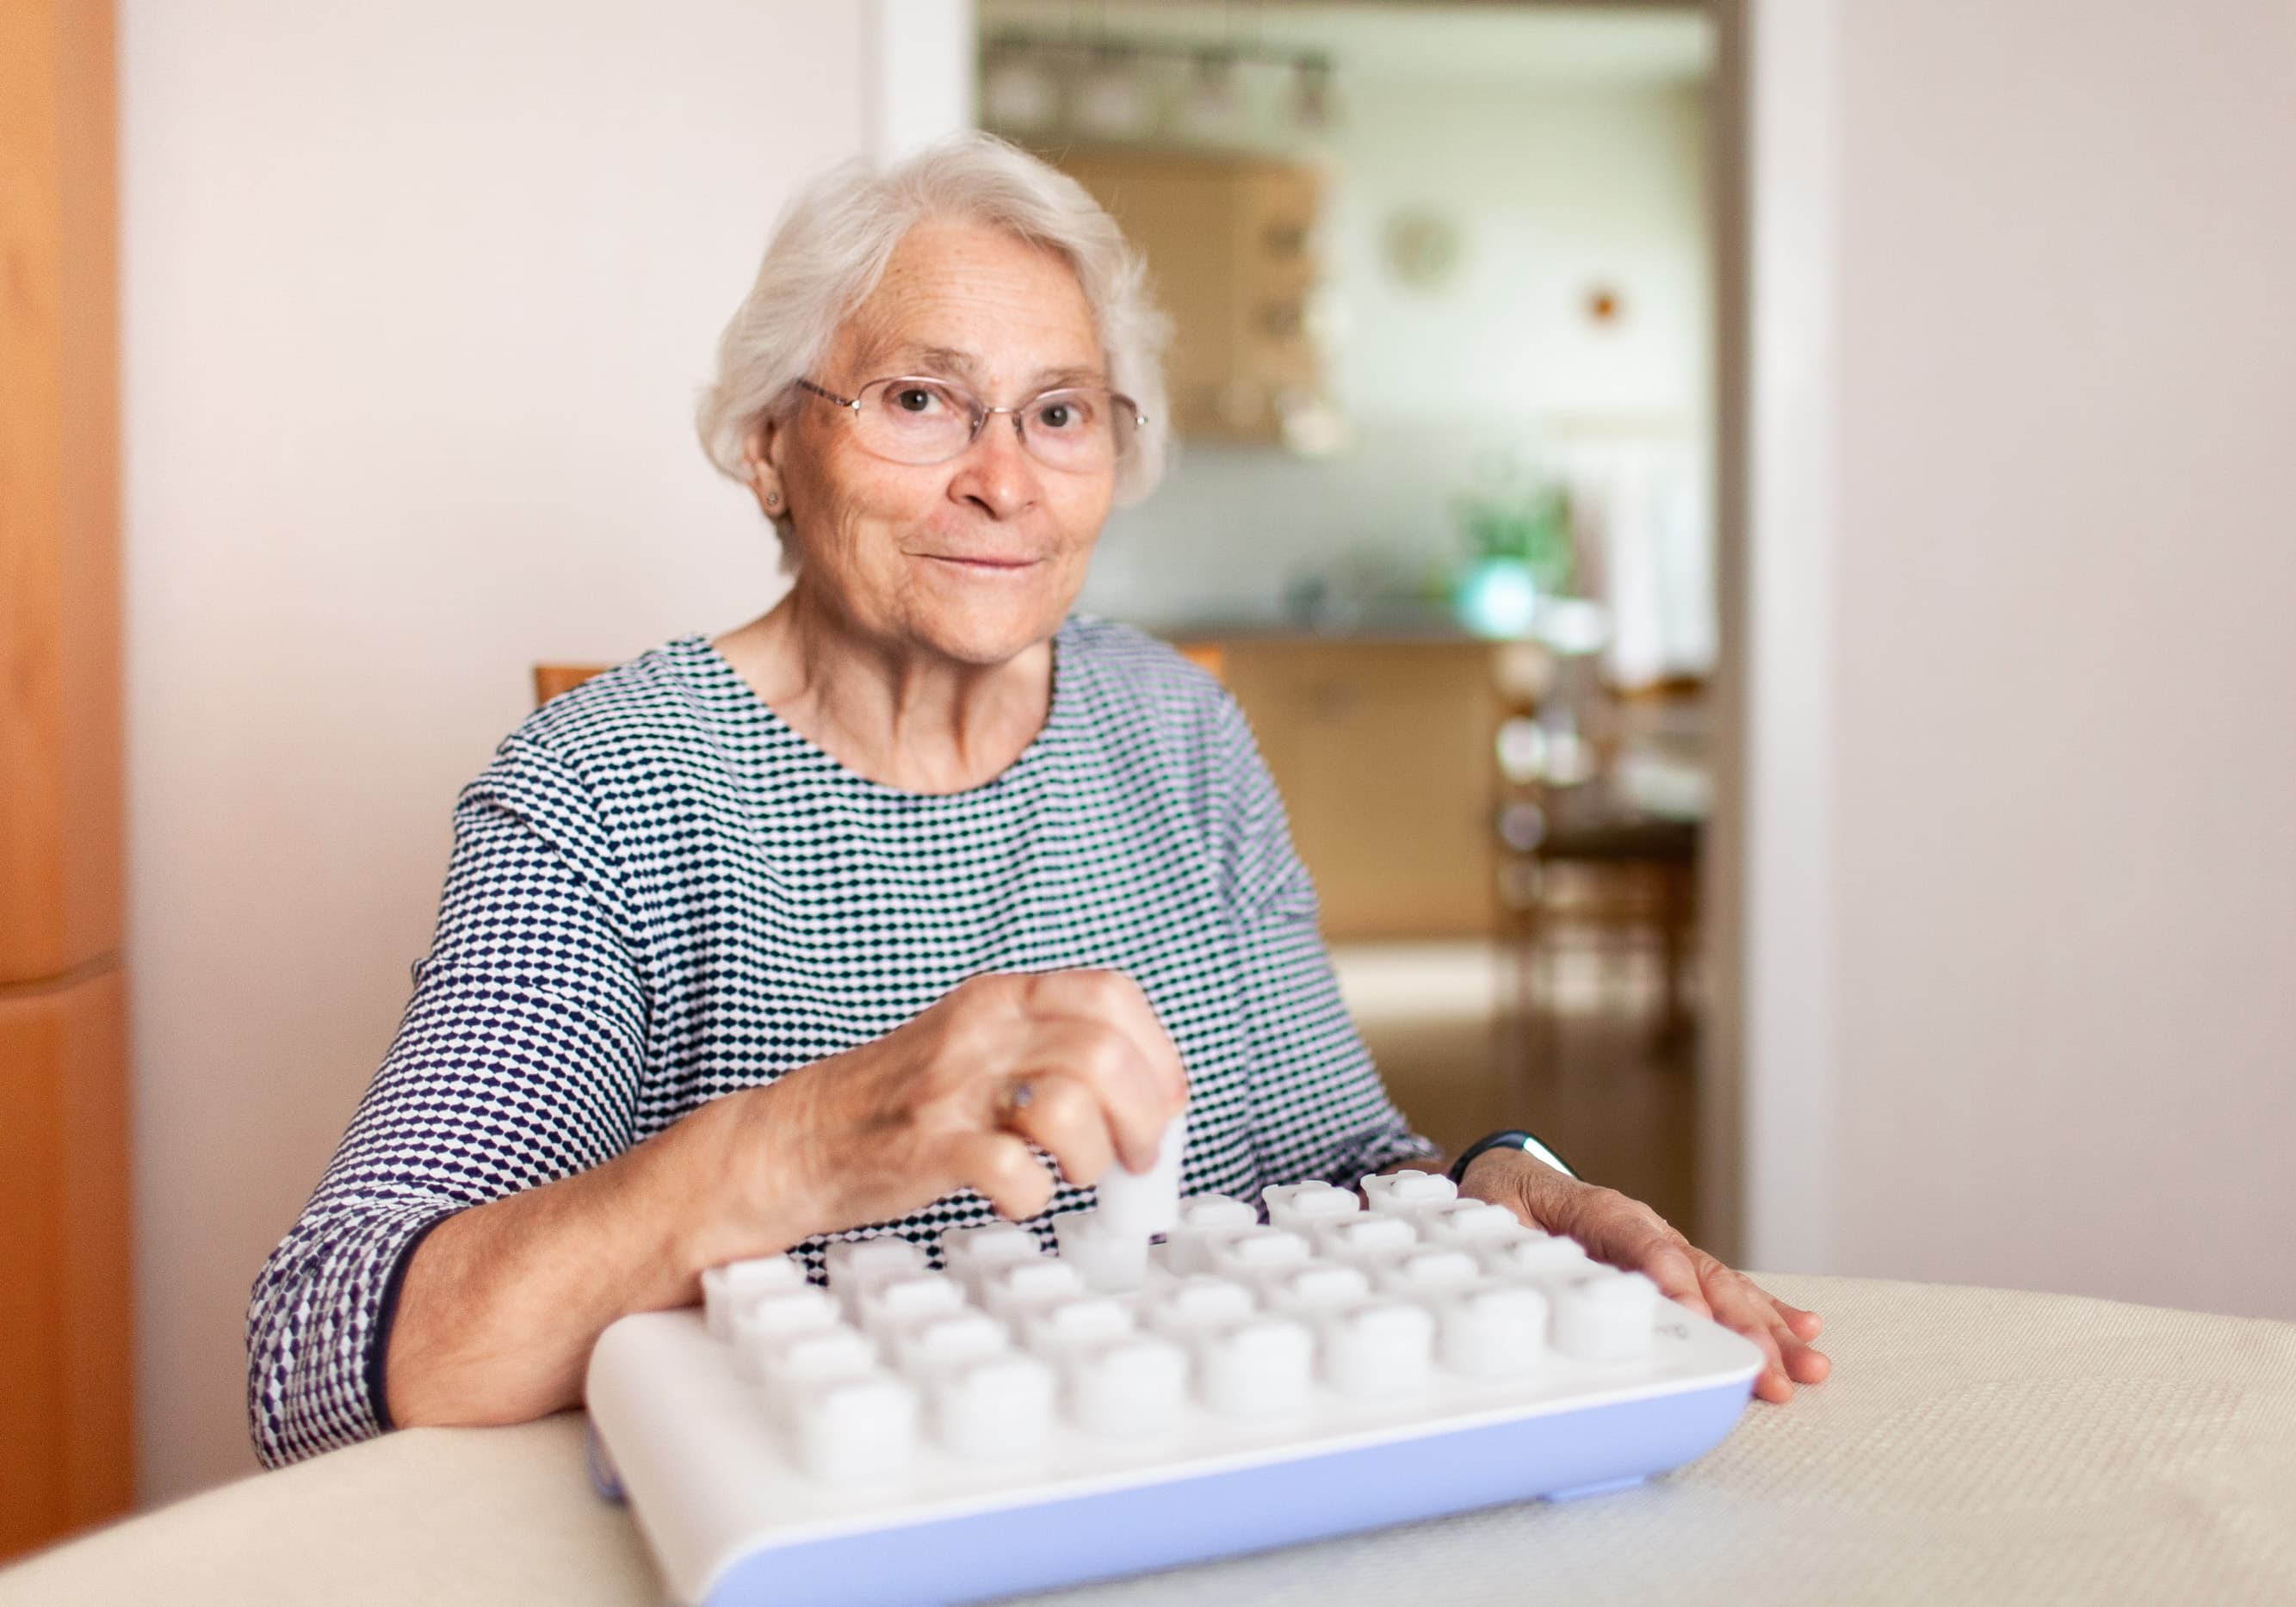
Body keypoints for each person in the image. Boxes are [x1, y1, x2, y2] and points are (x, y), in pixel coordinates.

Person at [245, 133, 1827, 1467]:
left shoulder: (1177, 725)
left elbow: (1342, 1156)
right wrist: (782, 1153)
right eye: (923, 400)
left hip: (1180, 1497)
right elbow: (320, 1360)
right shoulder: (607, 787)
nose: (1007, 478)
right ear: (764, 444)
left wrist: (1512, 1188)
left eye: (1060, 412)